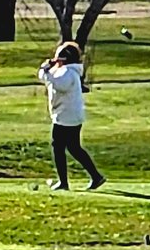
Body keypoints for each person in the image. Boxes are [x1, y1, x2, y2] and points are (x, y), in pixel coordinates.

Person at [38, 41, 105, 191]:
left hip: (66, 116)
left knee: (58, 146)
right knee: (74, 148)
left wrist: (48, 71)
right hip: (68, 115)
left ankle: (64, 182)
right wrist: (46, 67)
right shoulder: (64, 71)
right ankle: (96, 176)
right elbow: (44, 76)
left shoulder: (68, 72)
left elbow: (59, 85)